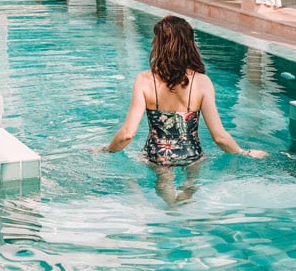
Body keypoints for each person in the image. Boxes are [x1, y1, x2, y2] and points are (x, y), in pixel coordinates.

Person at [103, 16, 267, 201]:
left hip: (157, 155)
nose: (151, 42)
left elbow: (127, 134)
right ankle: (184, 204)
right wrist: (243, 152)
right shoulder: (202, 82)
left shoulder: (144, 80)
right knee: (190, 184)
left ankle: (169, 206)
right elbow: (220, 137)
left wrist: (107, 150)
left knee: (164, 180)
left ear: (160, 44)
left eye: (155, 38)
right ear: (189, 44)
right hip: (192, 155)